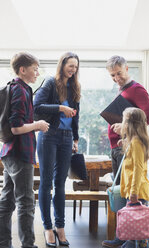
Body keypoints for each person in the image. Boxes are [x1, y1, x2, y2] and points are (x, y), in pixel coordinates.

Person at [102, 55, 149, 248]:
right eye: (112, 76)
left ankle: (136, 239)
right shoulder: (122, 89)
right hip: (120, 148)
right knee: (123, 194)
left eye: (118, 73)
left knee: (131, 193)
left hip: (128, 147)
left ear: (127, 68)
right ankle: (124, 235)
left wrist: (125, 130)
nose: (116, 78)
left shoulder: (136, 88)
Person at [0, 52, 49, 248]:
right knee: (26, 203)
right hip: (21, 153)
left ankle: (3, 243)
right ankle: (28, 245)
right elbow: (16, 128)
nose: (37, 73)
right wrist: (38, 124)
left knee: (6, 201)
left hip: (9, 151)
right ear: (22, 70)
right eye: (34, 69)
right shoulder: (21, 90)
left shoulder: (10, 87)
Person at [33, 52, 81, 247]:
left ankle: (60, 227)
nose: (73, 69)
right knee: (46, 183)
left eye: (76, 67)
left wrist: (76, 138)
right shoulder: (50, 82)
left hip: (67, 138)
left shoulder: (75, 87)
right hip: (49, 135)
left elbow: (76, 115)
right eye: (70, 65)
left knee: (60, 183)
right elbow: (37, 106)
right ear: (62, 65)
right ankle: (47, 227)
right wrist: (60, 108)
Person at [119, 107, 149, 248]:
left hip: (138, 192)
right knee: (136, 231)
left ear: (129, 124)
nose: (122, 123)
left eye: (124, 120)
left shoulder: (136, 143)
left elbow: (138, 169)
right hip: (134, 191)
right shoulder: (133, 141)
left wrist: (133, 192)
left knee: (139, 235)